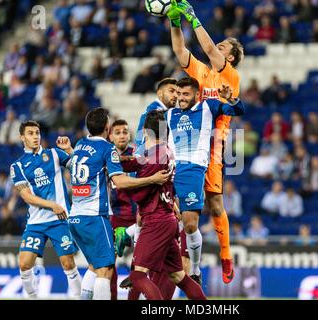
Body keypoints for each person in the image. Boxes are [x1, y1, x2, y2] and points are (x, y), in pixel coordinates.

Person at [167, 0, 244, 283]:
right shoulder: (202, 74)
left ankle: (226, 255)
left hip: (214, 146)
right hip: (188, 143)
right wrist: (175, 20)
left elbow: (209, 49)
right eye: (220, 44)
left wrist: (193, 17)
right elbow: (179, 50)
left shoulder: (229, 75)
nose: (217, 47)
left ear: (231, 58)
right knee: (177, 204)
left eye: (224, 47)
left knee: (215, 205)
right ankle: (182, 258)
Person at [64, 108, 169, 300]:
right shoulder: (107, 148)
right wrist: (152, 179)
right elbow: (120, 182)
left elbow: (77, 163)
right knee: (105, 270)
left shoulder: (79, 144)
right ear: (107, 128)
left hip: (75, 217)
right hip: (95, 216)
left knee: (95, 267)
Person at [120, 110, 206, 300]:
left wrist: (123, 183)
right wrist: (115, 160)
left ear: (144, 130)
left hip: (156, 220)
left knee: (138, 275)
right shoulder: (163, 151)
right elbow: (136, 162)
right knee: (179, 276)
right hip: (167, 219)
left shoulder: (156, 156)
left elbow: (140, 195)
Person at [10, 120, 81, 299]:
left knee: (68, 263)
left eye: (37, 133)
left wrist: (70, 150)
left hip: (60, 220)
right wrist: (52, 205)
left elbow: (79, 167)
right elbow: (26, 196)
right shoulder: (17, 166)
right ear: (22, 138)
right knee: (25, 265)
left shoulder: (54, 154)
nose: (35, 137)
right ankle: (33, 297)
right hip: (36, 222)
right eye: (31, 133)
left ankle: (80, 297)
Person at [107, 119, 138, 300]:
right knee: (109, 264)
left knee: (139, 266)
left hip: (138, 216)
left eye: (125, 132)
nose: (122, 135)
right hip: (115, 216)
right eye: (117, 132)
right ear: (110, 136)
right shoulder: (106, 155)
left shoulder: (138, 154)